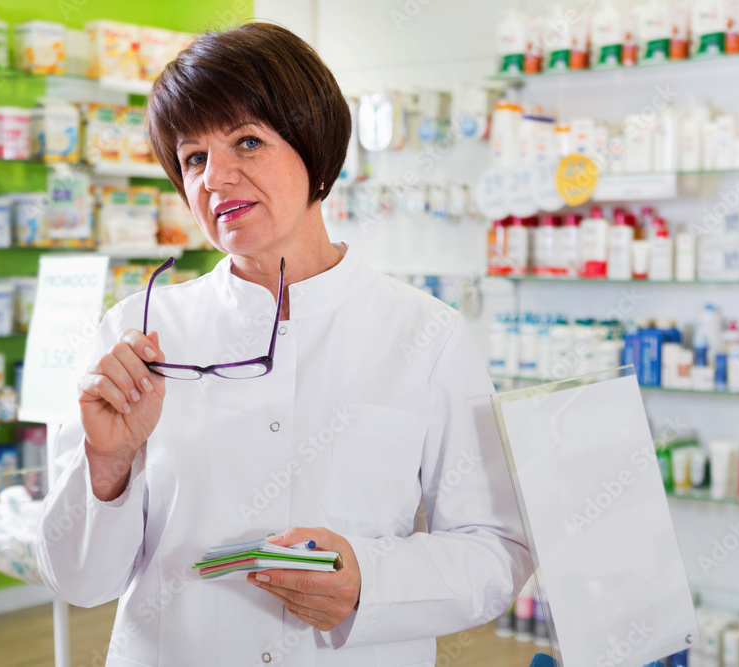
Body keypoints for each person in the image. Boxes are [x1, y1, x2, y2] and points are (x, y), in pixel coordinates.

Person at [36, 22, 533, 666]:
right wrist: (105, 470)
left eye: (248, 141)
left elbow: (497, 550)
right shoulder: (138, 334)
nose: (215, 179)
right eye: (193, 158)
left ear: (315, 148)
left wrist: (371, 582)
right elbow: (78, 582)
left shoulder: (424, 334)